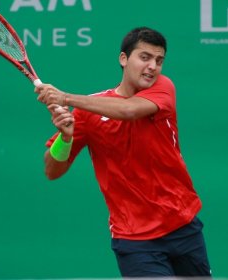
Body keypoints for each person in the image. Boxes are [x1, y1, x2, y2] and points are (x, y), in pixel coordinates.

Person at [34, 27, 212, 278]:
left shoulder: (163, 87)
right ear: (123, 59)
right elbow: (52, 170)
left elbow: (129, 111)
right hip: (135, 240)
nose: (152, 67)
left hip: (183, 225)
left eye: (158, 60)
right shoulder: (89, 112)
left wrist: (66, 98)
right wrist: (65, 137)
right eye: (145, 57)